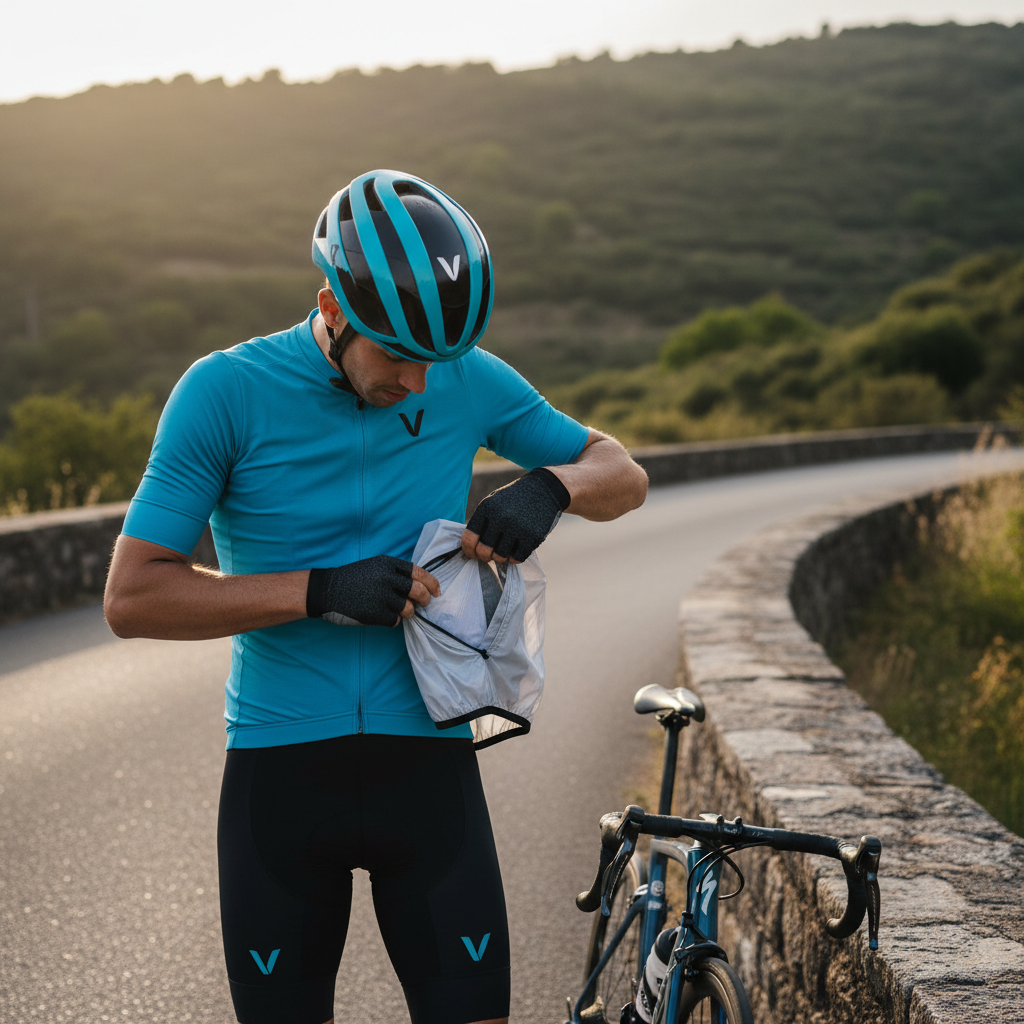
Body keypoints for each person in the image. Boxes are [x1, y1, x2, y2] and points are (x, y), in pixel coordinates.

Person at [104, 168, 648, 1024]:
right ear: (332, 307)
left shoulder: (461, 375)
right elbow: (133, 598)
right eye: (397, 357)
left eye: (437, 360)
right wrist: (317, 591)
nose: (421, 384)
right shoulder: (224, 393)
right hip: (281, 776)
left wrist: (551, 487)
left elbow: (624, 473)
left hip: (427, 764)